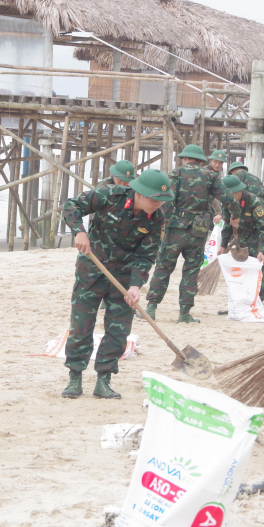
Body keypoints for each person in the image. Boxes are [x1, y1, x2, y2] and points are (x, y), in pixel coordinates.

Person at [59, 169, 172, 400]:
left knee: (118, 331)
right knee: (81, 327)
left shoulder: (157, 219)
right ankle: (75, 377)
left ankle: (104, 379)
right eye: (154, 199)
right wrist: (79, 232)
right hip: (91, 271)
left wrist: (135, 286)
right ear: (139, 193)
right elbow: (71, 206)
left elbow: (146, 255)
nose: (158, 204)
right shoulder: (109, 195)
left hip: (122, 278)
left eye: (162, 200)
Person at [146, 145, 237, 323]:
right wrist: (233, 216)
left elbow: (167, 201)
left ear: (185, 158)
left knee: (164, 267)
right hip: (198, 231)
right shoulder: (211, 176)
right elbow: (228, 198)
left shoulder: (177, 173)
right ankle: (184, 313)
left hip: (175, 230)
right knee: (191, 270)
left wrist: (159, 223)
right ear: (201, 160)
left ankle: (151, 308)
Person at [218, 175, 264, 301]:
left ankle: (258, 303)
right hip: (244, 236)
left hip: (261, 236)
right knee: (242, 271)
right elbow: (227, 225)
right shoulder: (227, 203)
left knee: (258, 270)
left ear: (238, 191)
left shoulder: (254, 201)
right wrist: (223, 246)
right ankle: (240, 302)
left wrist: (262, 251)